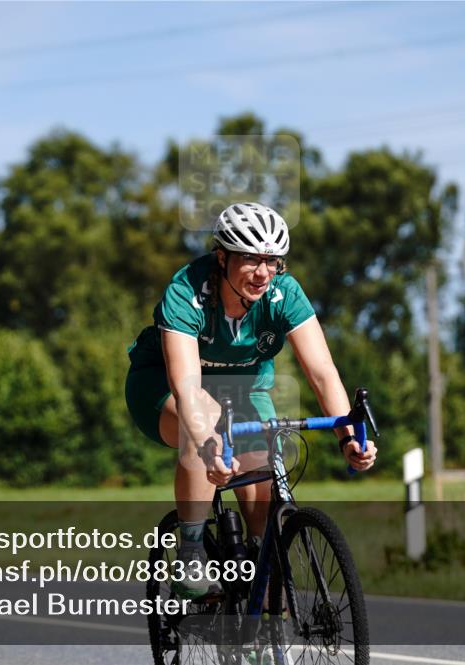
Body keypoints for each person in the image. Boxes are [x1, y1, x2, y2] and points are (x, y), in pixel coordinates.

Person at [126, 202, 376, 599]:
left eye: (272, 261)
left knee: (261, 480)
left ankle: (256, 596)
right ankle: (191, 550)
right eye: (250, 259)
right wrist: (209, 446)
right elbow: (187, 387)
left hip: (243, 391)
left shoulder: (283, 293)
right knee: (203, 419)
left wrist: (348, 436)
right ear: (221, 256)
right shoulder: (187, 290)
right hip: (163, 387)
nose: (262, 272)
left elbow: (322, 373)